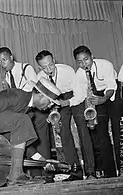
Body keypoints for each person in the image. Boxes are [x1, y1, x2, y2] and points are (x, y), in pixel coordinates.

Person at [0, 77, 61, 186]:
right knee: (22, 120)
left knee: (22, 121)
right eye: (50, 102)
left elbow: (18, 141)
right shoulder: (16, 96)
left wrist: (42, 160)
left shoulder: (27, 112)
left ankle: (16, 175)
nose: (50, 106)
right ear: (41, 95)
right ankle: (16, 175)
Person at [35, 50, 96, 181]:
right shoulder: (40, 77)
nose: (48, 69)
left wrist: (66, 102)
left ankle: (91, 172)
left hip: (73, 97)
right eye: (44, 67)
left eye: (50, 65)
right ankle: (75, 171)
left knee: (82, 129)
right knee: (64, 132)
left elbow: (79, 95)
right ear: (39, 67)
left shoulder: (67, 71)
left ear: (54, 61)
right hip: (57, 101)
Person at [0, 47, 52, 181]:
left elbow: (35, 88)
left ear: (11, 57)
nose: (2, 64)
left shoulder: (26, 68)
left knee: (40, 142)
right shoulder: (7, 76)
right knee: (23, 142)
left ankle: (47, 175)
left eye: (4, 60)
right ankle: (35, 174)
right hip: (23, 111)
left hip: (35, 109)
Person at [74, 45, 118, 178]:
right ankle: (105, 172)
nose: (83, 64)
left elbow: (111, 86)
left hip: (111, 95)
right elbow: (80, 96)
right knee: (100, 133)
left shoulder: (105, 65)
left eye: (86, 59)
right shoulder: (79, 75)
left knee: (115, 128)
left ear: (92, 56)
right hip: (95, 97)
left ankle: (116, 170)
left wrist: (103, 99)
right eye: (79, 62)